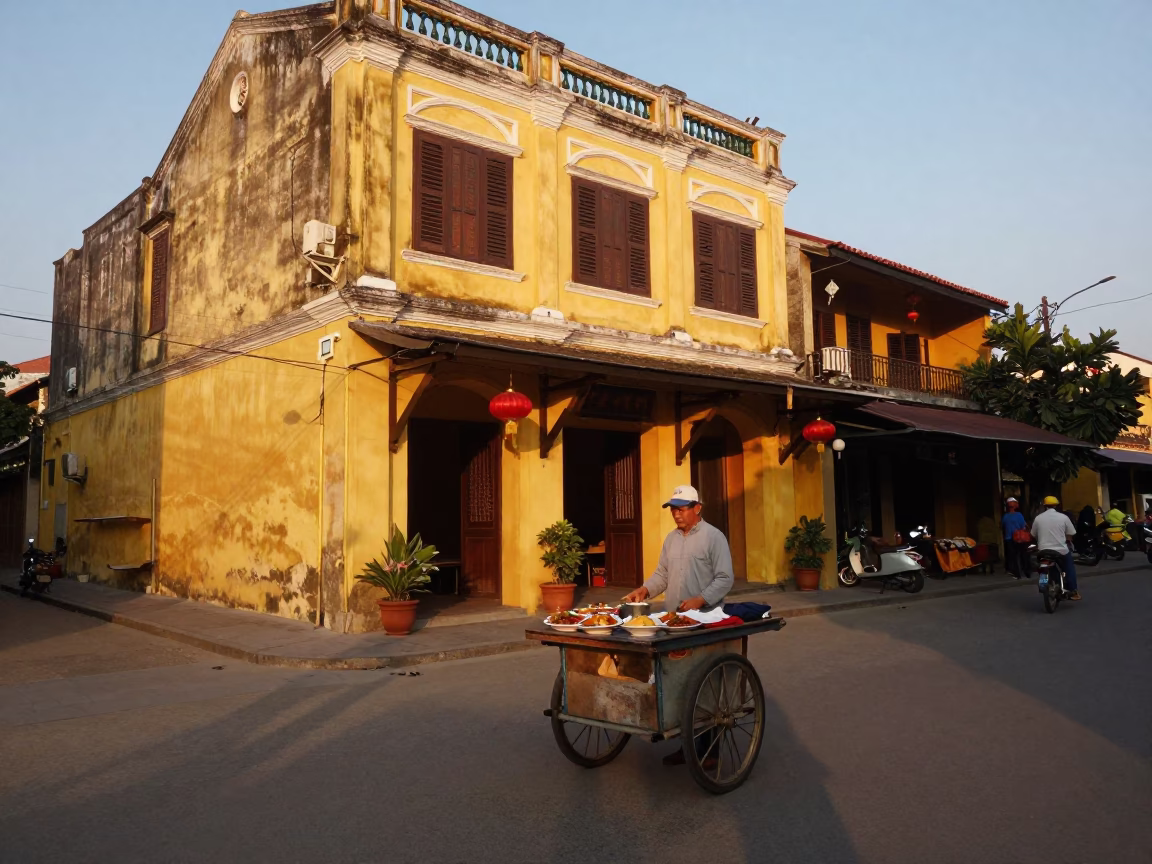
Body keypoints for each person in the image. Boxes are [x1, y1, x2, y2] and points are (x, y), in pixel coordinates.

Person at [624, 484, 734, 766]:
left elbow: (724, 578)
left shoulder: (714, 537)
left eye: (681, 509)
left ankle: (709, 750)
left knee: (702, 683)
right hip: (674, 621)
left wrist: (701, 599)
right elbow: (662, 574)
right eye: (673, 509)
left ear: (697, 508)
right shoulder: (671, 539)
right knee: (676, 679)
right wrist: (645, 590)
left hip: (705, 620)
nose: (676, 514)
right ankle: (686, 745)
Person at [1032, 495, 1080, 601]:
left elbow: (1033, 534)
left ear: (1044, 506)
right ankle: (1073, 591)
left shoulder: (1038, 518)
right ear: (1056, 505)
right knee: (1069, 568)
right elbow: (1071, 532)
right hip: (1061, 550)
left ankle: (1046, 582)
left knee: (1046, 566)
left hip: (1043, 550)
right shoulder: (1063, 517)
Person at [1001, 497, 1030, 579]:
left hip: (1009, 539)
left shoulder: (1005, 517)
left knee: (1013, 557)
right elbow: (1023, 526)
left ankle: (1016, 573)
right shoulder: (1019, 515)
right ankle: (1027, 572)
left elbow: (1003, 527)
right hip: (1019, 538)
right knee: (1023, 555)